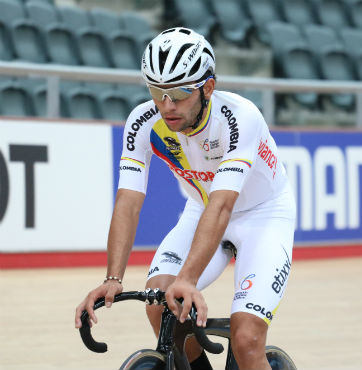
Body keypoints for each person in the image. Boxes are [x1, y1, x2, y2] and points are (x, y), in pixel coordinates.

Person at [75, 27, 296, 370]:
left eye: (179, 93)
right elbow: (128, 201)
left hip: (261, 215)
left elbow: (223, 204)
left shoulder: (239, 118)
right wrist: (113, 278)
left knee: (247, 339)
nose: (167, 105)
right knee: (160, 303)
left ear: (208, 86)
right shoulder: (143, 123)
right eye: (156, 91)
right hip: (202, 209)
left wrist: (188, 280)